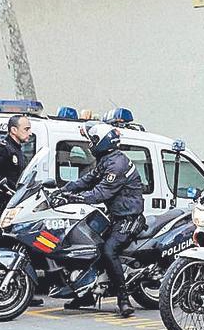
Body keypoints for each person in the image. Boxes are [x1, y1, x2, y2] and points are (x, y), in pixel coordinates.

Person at [50, 123, 146, 317]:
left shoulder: (117, 164)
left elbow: (101, 192)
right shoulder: (107, 160)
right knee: (87, 244)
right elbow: (87, 180)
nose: (90, 144)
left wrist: (75, 198)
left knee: (109, 251)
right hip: (115, 216)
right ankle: (86, 294)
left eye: (92, 141)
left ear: (102, 142)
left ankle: (123, 299)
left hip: (129, 218)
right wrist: (63, 190)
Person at [0, 115, 38, 305]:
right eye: (26, 129)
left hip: (15, 203)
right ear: (14, 130)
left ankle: (23, 291)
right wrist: (4, 185)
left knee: (20, 245)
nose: (29, 132)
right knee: (3, 244)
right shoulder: (3, 148)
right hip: (2, 202)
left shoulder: (18, 150)